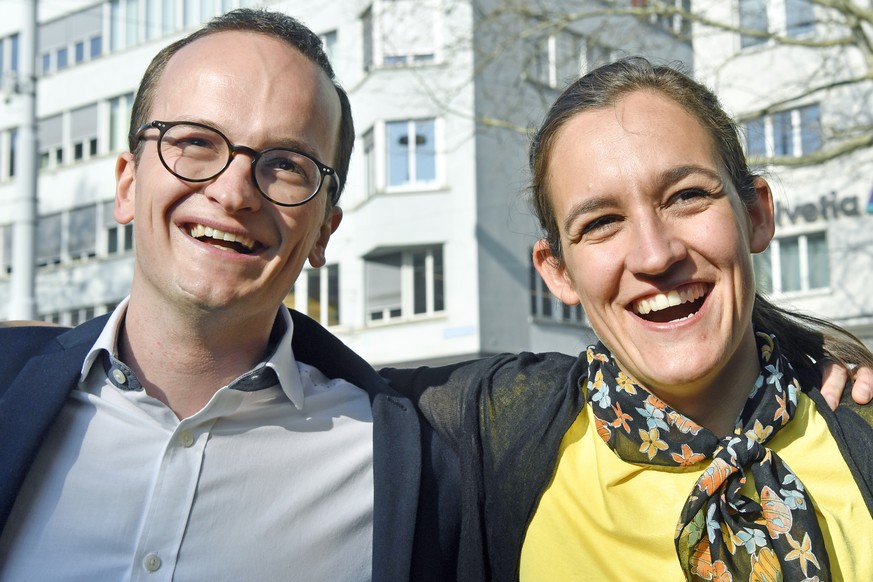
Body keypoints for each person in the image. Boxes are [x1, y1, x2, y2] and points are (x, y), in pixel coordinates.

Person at [0, 9, 460, 580]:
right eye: (195, 141)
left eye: (287, 165)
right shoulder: (7, 389)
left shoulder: (410, 467)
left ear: (323, 231)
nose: (234, 191)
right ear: (126, 184)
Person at [383, 57, 873, 581]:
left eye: (686, 196)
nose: (654, 256)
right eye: (601, 222)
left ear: (755, 215)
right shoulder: (493, 433)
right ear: (559, 273)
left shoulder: (859, 424)